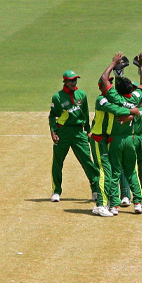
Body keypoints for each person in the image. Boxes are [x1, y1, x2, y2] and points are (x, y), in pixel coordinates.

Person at [101, 52, 142, 214]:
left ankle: (114, 206)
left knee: (115, 172)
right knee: (131, 171)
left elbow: (104, 79)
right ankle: (138, 203)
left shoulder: (115, 98)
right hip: (130, 139)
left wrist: (113, 63)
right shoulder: (135, 98)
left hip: (116, 140)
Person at [89, 76, 140, 217]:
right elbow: (116, 110)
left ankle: (107, 202)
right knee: (105, 171)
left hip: (105, 140)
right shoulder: (101, 100)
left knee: (109, 172)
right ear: (102, 87)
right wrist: (133, 112)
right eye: (109, 83)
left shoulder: (112, 98)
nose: (111, 85)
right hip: (98, 140)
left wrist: (131, 115)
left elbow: (121, 106)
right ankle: (100, 205)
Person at [48, 70, 99, 203]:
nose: (74, 82)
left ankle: (95, 190)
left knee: (87, 161)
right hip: (63, 132)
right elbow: (53, 115)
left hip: (78, 132)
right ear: (65, 81)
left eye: (75, 80)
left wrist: (88, 130)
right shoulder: (57, 97)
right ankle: (56, 191)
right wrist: (53, 132)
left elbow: (85, 113)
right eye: (71, 80)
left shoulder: (81, 94)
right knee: (57, 162)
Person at [119, 54, 142, 206]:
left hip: (135, 138)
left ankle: (133, 194)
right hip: (134, 138)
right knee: (133, 165)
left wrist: (117, 71)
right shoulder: (131, 99)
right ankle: (132, 194)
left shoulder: (129, 100)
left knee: (135, 165)